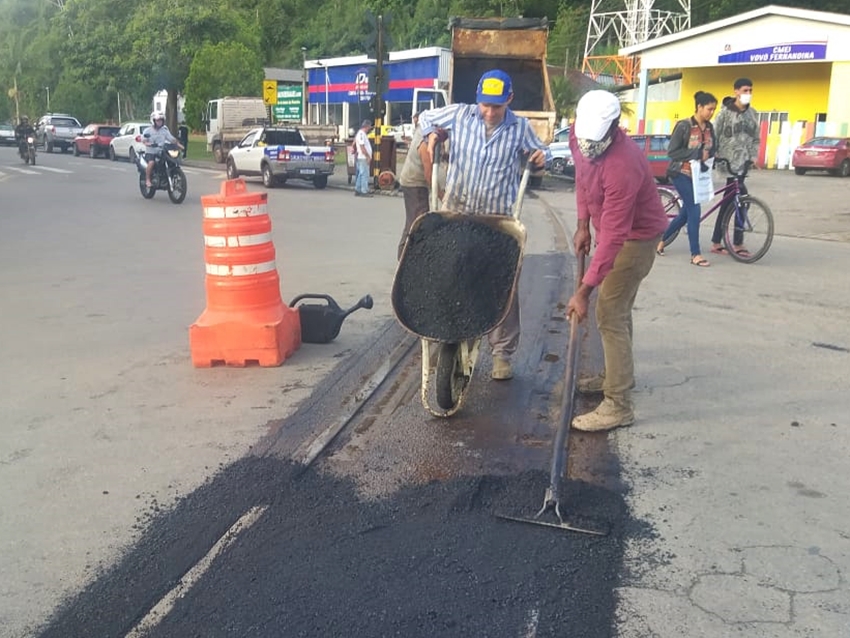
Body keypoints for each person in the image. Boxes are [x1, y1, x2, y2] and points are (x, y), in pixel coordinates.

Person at [419, 69, 550, 381]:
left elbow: (541, 150)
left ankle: (502, 352)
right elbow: (425, 117)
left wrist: (540, 157)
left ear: (509, 100)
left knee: (503, 283)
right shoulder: (462, 115)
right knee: (449, 275)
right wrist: (432, 135)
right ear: (478, 101)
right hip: (457, 210)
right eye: (485, 105)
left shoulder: (519, 127)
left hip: (498, 219)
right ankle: (444, 333)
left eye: (497, 106)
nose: (490, 113)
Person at [567, 90, 669, 432]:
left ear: (614, 128)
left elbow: (612, 237)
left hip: (637, 239)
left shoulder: (623, 164)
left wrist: (583, 290)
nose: (588, 146)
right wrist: (582, 224)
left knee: (609, 311)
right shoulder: (578, 136)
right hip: (614, 231)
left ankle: (618, 404)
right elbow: (582, 180)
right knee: (617, 310)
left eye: (596, 138)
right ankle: (616, 375)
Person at [657, 91, 718, 267]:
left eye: (714, 109)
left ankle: (661, 240)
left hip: (699, 177)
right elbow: (673, 152)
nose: (711, 112)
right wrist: (696, 153)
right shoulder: (684, 126)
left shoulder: (709, 127)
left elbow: (712, 147)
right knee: (694, 210)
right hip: (680, 174)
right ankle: (695, 254)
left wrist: (713, 154)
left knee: (685, 214)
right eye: (709, 109)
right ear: (699, 107)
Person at [711, 77, 760, 258]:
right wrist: (714, 154)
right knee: (740, 199)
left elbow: (756, 138)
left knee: (731, 202)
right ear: (736, 91)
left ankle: (718, 241)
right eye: (745, 90)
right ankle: (735, 242)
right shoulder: (724, 113)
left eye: (750, 90)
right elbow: (714, 135)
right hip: (728, 163)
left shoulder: (753, 114)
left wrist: (753, 157)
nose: (748, 93)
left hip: (744, 164)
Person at [396, 113, 448, 259]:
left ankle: (409, 256)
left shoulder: (428, 132)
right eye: (444, 135)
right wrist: (442, 196)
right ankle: (405, 258)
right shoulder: (425, 145)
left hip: (416, 182)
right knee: (418, 221)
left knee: (413, 221)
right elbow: (429, 175)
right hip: (413, 183)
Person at [142, 111, 184, 188]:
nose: (159, 122)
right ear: (153, 120)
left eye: (161, 120)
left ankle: (169, 176)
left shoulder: (164, 130)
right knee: (151, 162)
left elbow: (171, 138)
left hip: (161, 151)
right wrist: (149, 144)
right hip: (151, 152)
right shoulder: (147, 131)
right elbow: (144, 140)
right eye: (158, 120)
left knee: (171, 160)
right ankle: (148, 179)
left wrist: (178, 144)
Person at [354, 119, 373, 197]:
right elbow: (362, 146)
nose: (369, 129)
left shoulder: (361, 134)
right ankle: (364, 191)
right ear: (367, 126)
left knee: (361, 174)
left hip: (361, 156)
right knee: (364, 174)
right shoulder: (361, 134)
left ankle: (358, 189)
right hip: (363, 157)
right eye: (369, 127)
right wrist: (368, 156)